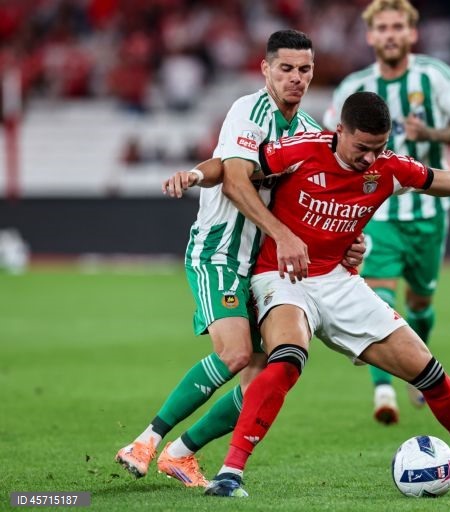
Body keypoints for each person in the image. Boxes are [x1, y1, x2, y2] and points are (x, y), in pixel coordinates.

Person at [187, 91, 450, 497]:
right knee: (288, 358)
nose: (369, 158)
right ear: (340, 131)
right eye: (362, 147)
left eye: (378, 148)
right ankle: (230, 473)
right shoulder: (301, 149)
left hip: (340, 282)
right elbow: (233, 170)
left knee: (429, 372)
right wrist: (197, 175)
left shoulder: (390, 167)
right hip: (281, 275)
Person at [115, 29, 365, 488]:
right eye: (286, 68)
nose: (296, 78)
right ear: (266, 69)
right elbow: (232, 176)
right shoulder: (248, 111)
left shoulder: (310, 133)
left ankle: (181, 453)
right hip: (220, 252)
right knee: (235, 353)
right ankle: (145, 441)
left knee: (261, 380)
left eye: (304, 69)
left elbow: (316, 201)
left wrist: (348, 242)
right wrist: (198, 176)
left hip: (263, 265)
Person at [323, 0, 450, 424]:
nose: (390, 34)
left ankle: (417, 367)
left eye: (398, 27)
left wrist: (432, 132)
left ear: (412, 33)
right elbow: (329, 138)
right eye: (382, 28)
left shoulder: (436, 76)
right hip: (377, 209)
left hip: (429, 210)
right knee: (378, 296)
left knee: (421, 301)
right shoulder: (354, 86)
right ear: (370, 35)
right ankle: (382, 391)